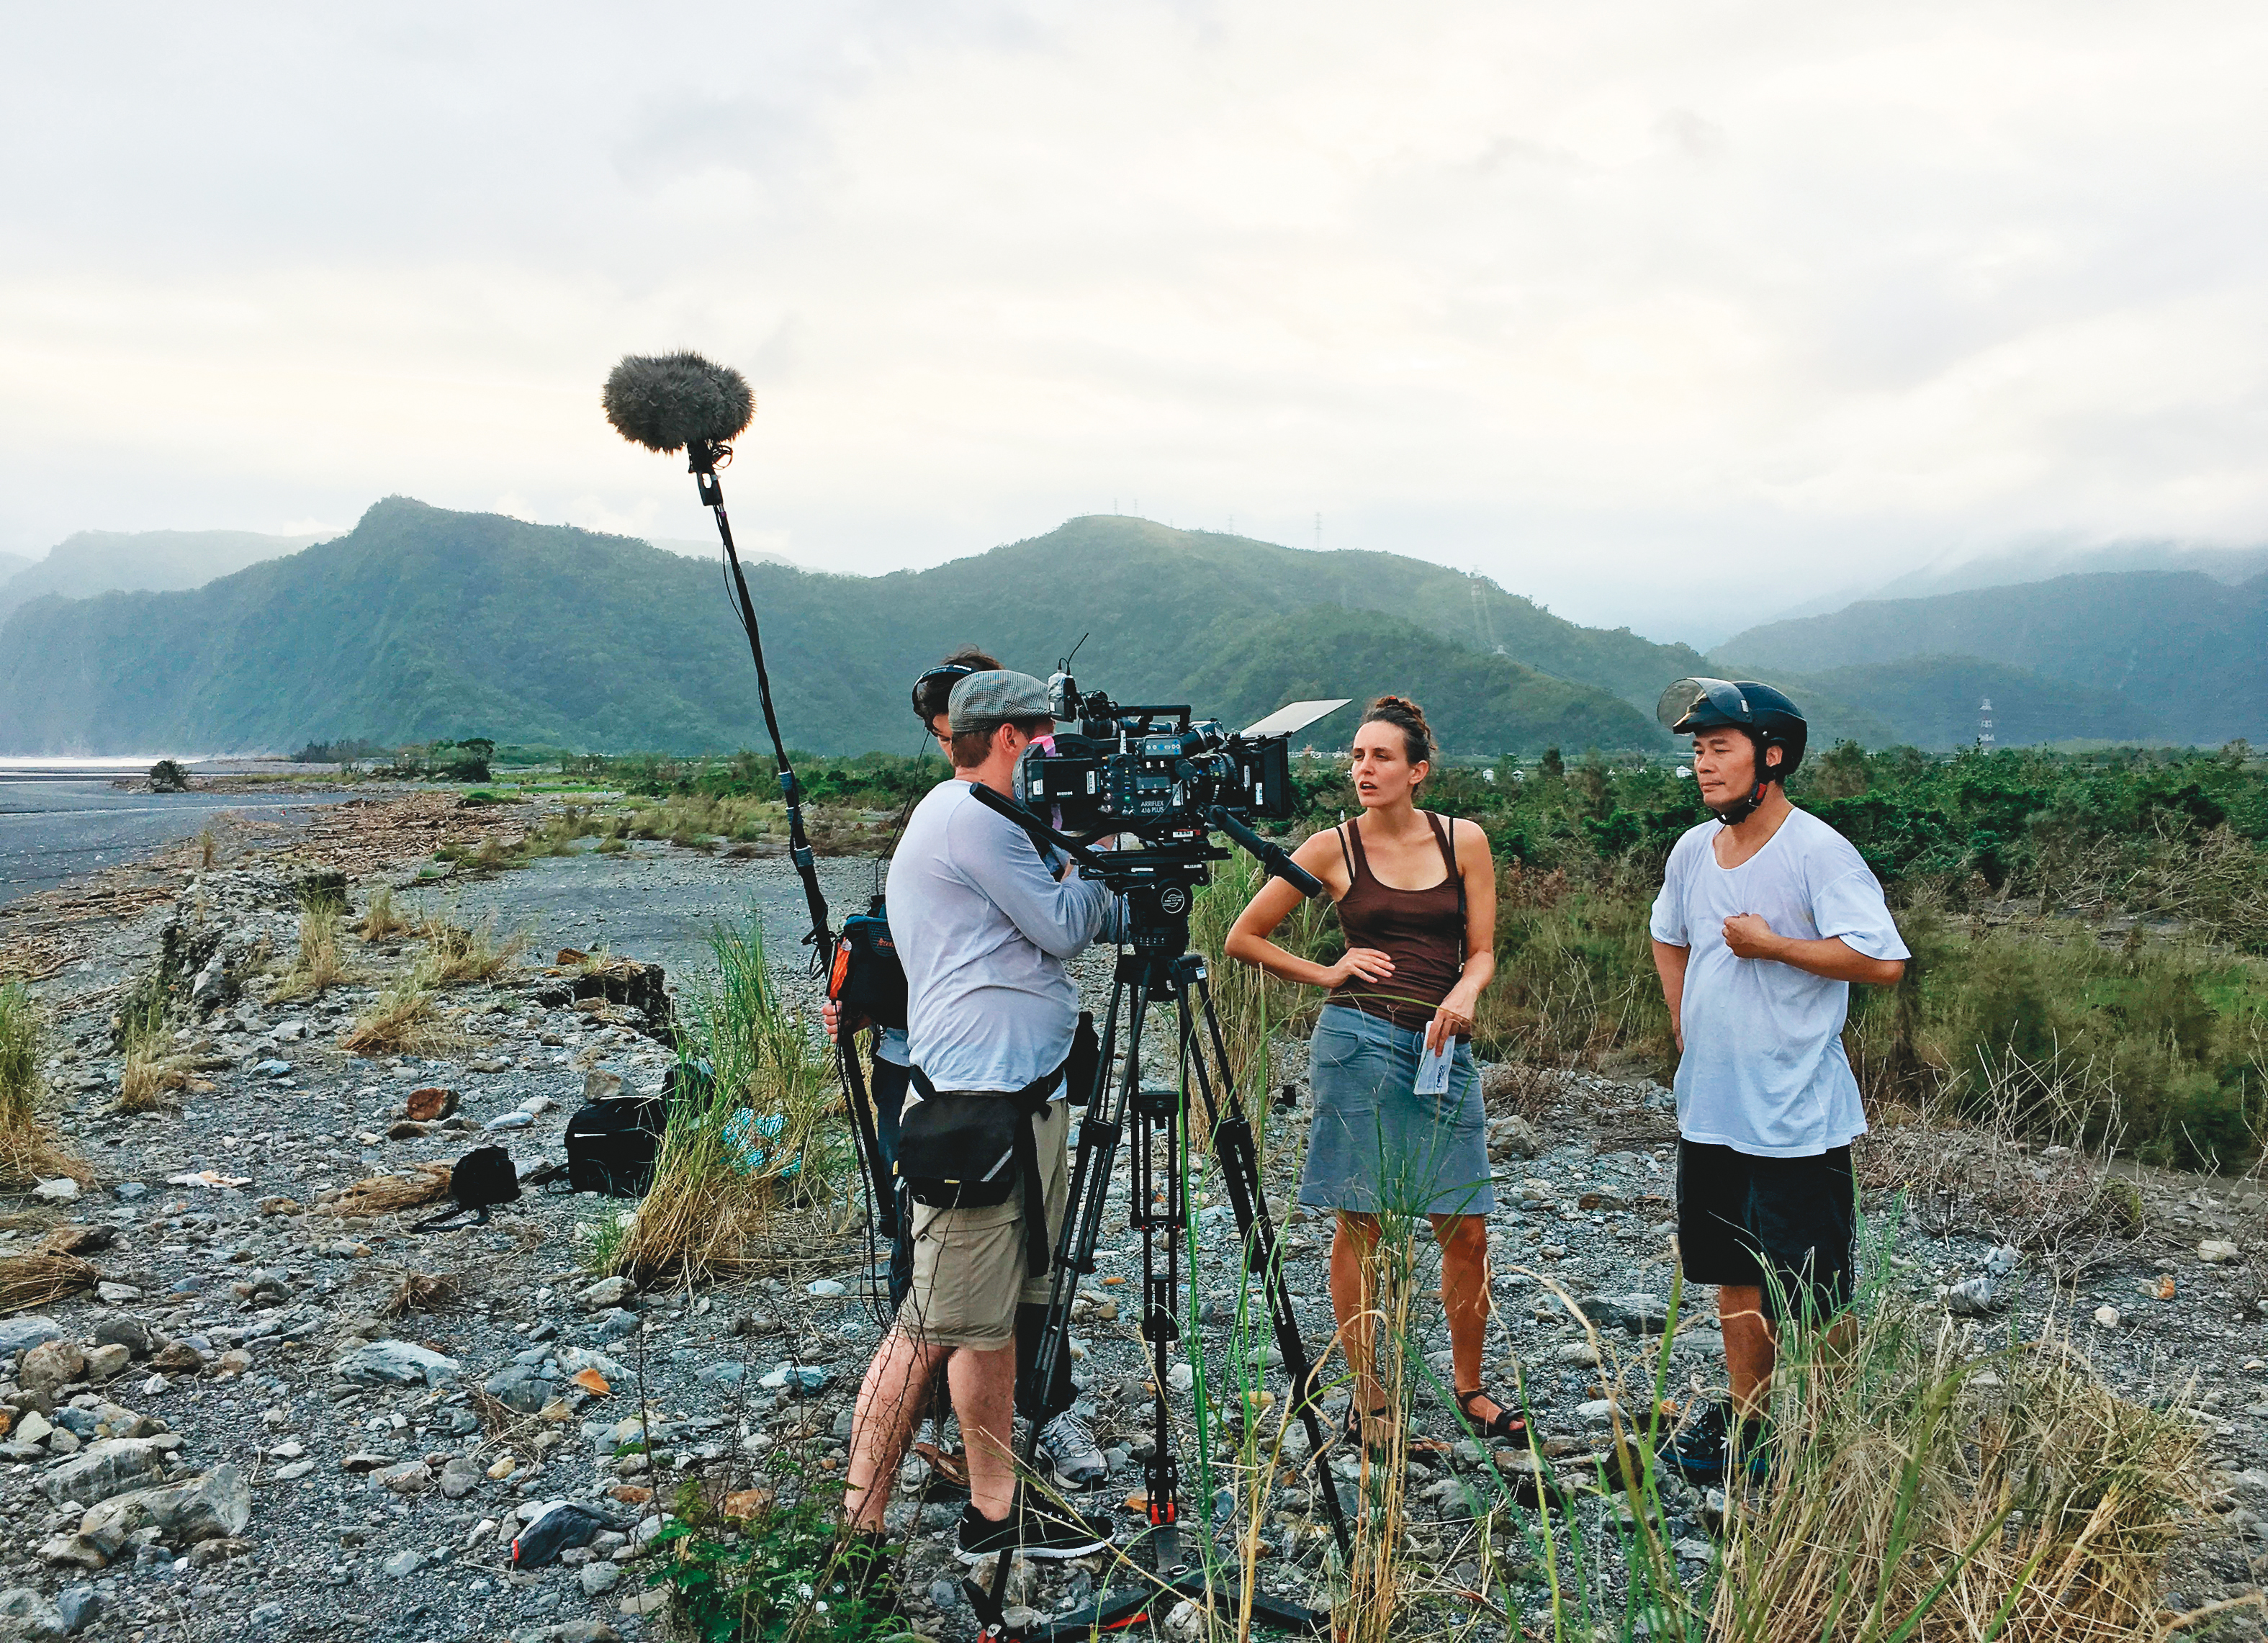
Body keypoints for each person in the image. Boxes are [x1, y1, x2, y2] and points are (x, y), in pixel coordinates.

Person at [840, 670, 1122, 1573]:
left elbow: (1072, 920)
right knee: (929, 1322)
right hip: (976, 1108)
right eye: (1046, 736)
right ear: (1009, 738)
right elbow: (1067, 926)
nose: (1056, 753)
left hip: (1020, 1097)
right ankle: (857, 1531)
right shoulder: (970, 817)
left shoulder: (989, 818)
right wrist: (1101, 845)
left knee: (990, 1320)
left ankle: (994, 1508)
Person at [1223, 695, 1513, 1454]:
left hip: (1441, 1047)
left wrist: (1464, 991)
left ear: (1418, 770)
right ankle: (1369, 1398)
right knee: (1365, 1221)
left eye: (1380, 756)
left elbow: (1482, 950)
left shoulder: (1464, 840)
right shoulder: (1332, 848)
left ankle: (1470, 1389)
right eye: (1356, 756)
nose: (1363, 768)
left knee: (1465, 1225)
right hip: (1358, 1042)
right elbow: (1244, 936)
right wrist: (1327, 970)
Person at [1647, 678, 1908, 1482]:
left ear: (1772, 756)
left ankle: (1829, 1439)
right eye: (1698, 750)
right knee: (1731, 1271)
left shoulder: (1817, 850)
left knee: (1815, 1289)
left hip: (1795, 1113)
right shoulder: (1692, 850)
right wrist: (1683, 1019)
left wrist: (1775, 945)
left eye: (1719, 748)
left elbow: (1882, 960)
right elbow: (1667, 934)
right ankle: (1751, 1425)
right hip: (1712, 1106)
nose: (1703, 764)